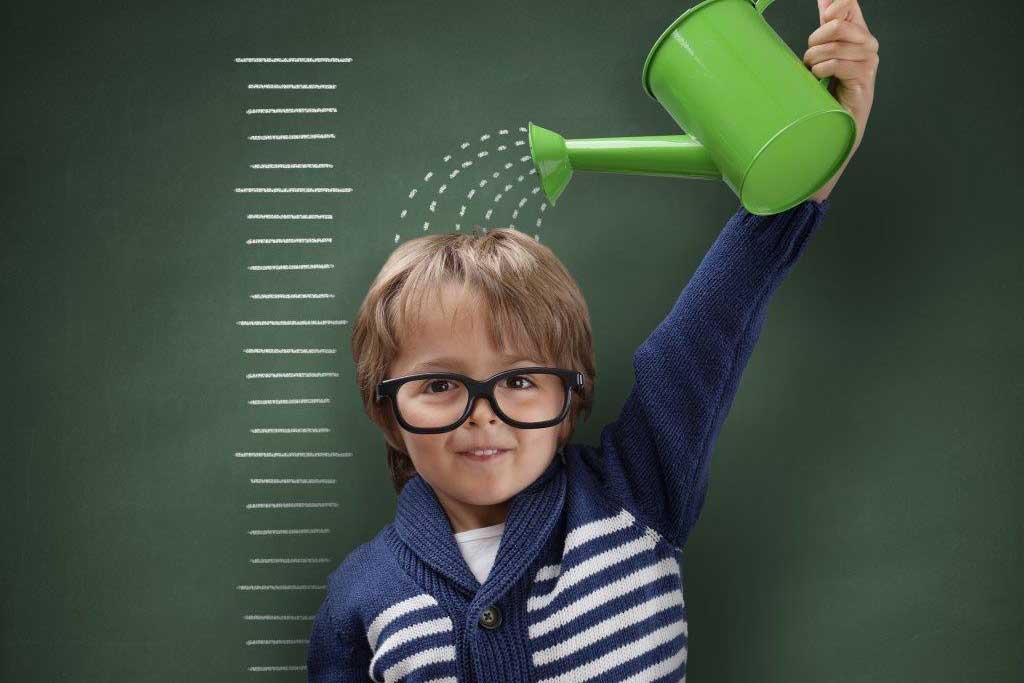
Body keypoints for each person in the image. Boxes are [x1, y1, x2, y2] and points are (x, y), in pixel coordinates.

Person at [307, 2, 878, 680]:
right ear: (386, 412)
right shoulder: (358, 598)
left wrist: (815, 147)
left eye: (520, 379)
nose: (483, 414)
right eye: (438, 384)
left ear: (571, 398)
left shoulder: (635, 492)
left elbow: (712, 324)